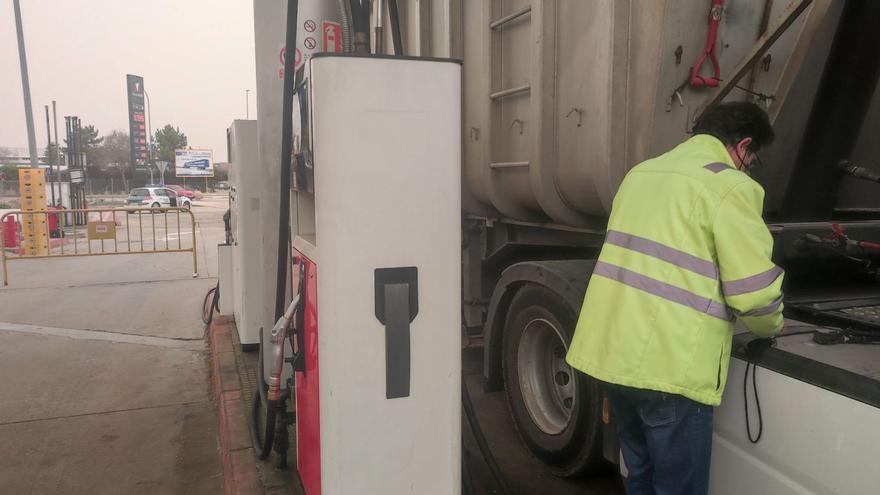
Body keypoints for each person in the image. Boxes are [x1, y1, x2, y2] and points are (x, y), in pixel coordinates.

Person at [566, 101, 784, 494]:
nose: (748, 166)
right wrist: (773, 325)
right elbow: (754, 295)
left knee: (640, 474)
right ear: (742, 145)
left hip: (613, 358)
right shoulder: (730, 185)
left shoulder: (641, 173)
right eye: (752, 158)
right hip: (670, 371)